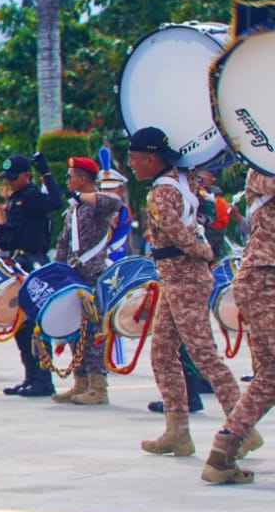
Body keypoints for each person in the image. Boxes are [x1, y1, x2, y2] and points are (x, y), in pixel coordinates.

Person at [126, 127, 242, 456]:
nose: (131, 165)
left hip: (183, 277)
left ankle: (240, 427)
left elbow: (178, 234)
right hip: (178, 277)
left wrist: (204, 252)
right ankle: (177, 431)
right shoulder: (181, 179)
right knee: (162, 354)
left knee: (203, 354)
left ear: (151, 158)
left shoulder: (160, 193)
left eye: (134, 159)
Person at [201, 169, 275, 483]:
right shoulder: (262, 166)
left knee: (270, 377)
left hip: (261, 278)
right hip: (265, 277)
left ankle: (223, 450)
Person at [49, 157, 124, 406]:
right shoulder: (74, 208)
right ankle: (80, 381)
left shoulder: (96, 205)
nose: (68, 181)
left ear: (83, 179)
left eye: (71, 176)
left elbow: (116, 202)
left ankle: (98, 386)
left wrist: (88, 197)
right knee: (74, 331)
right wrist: (57, 270)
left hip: (92, 275)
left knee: (93, 332)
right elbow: (63, 243)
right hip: (72, 275)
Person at [0, 153, 58, 397]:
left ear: (26, 176)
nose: (9, 181)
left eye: (13, 177)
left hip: (33, 262)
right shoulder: (16, 197)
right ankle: (30, 376)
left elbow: (55, 203)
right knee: (20, 323)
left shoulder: (33, 196)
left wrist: (47, 173)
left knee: (35, 324)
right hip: (17, 261)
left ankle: (43, 378)